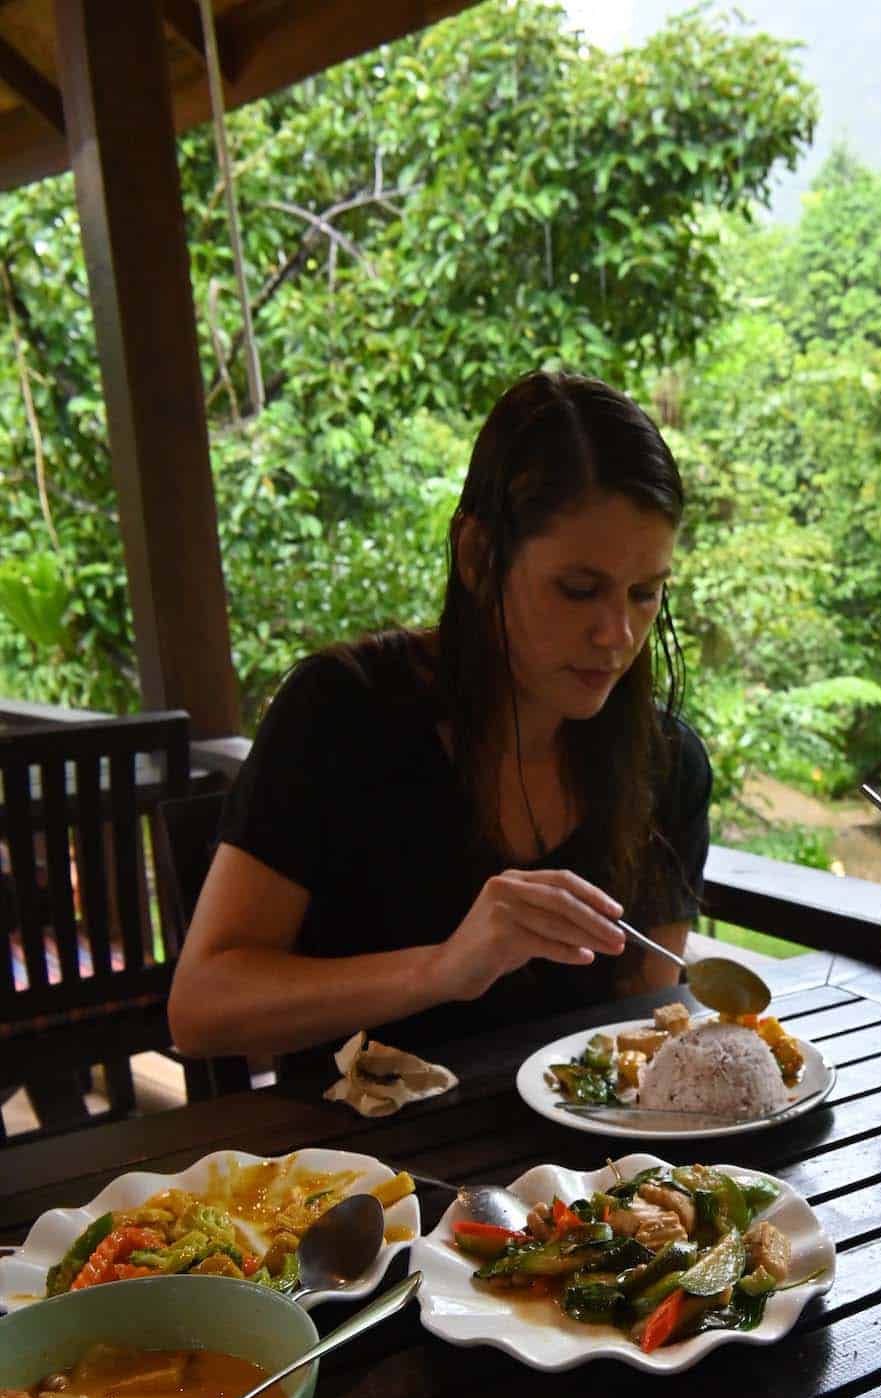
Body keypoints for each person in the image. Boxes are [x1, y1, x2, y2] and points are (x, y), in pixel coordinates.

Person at [167, 371, 712, 1076]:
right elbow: (201, 1008)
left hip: (582, 1174)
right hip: (356, 1172)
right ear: (479, 558)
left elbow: (642, 1026)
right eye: (580, 590)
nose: (618, 633)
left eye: (646, 594)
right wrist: (444, 968)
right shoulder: (341, 714)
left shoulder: (665, 761)